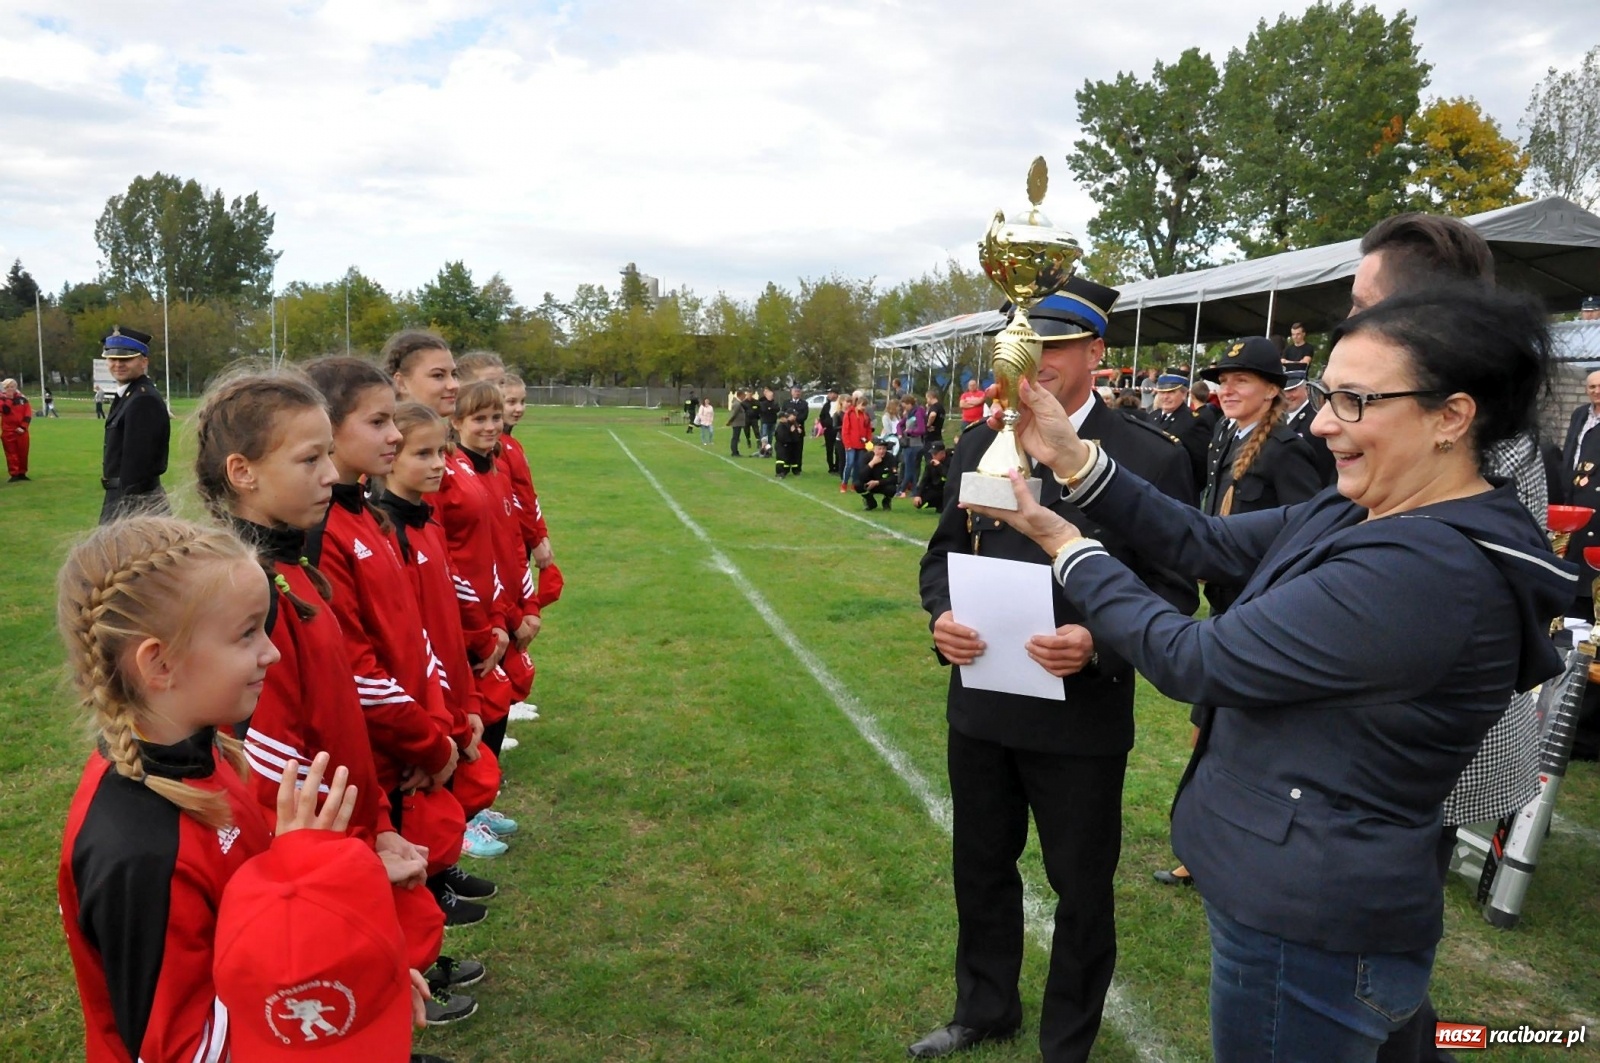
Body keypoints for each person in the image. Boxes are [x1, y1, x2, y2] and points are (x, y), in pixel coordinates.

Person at [961, 282, 1574, 1063]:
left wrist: (1065, 543)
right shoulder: (1370, 507)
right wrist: (1076, 458)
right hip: (1308, 901)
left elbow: (1196, 657)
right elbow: (1204, 543)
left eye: (1355, 401)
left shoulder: (1425, 567)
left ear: (1452, 416)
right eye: (1326, 395)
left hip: (1312, 922)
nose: (1321, 422)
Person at [912, 276, 1198, 1063]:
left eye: (1056, 347)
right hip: (981, 702)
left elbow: (1174, 587)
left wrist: (1098, 644)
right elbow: (943, 552)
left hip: (1079, 714)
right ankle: (985, 1006)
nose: (1034, 362)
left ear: (1096, 353)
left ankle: (1066, 1040)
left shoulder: (1145, 453)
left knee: (1080, 885)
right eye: (1024, 346)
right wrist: (941, 619)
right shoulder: (980, 439)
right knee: (980, 862)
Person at [53, 516, 435, 1062]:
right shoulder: (139, 852)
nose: (272, 653)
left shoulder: (203, 751)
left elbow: (242, 921)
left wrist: (354, 968)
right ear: (159, 663)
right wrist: (336, 999)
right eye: (247, 633)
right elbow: (187, 1049)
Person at [192, 368, 479, 1025]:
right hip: (314, 852)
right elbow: (269, 764)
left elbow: (339, 714)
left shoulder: (300, 573)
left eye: (329, 454)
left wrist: (377, 822)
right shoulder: (251, 595)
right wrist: (351, 845)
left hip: (351, 832)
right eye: (310, 458)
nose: (330, 473)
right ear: (243, 471)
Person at [1350, 211, 1554, 1063]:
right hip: (1407, 738)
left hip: (1431, 748)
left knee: (1376, 972)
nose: (1350, 317)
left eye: (1365, 300)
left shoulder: (1482, 436)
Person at [1195, 337, 1323, 616]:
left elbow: (1307, 532)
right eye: (1223, 380)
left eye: (1241, 380)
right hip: (1224, 589)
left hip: (1260, 599)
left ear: (1271, 390)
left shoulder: (1285, 449)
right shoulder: (1227, 436)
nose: (1226, 390)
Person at [99, 326, 170, 523]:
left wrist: (127, 512)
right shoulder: (129, 395)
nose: (117, 364)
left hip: (135, 502)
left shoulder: (142, 399)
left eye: (126, 359)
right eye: (112, 359)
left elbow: (140, 465)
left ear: (143, 361)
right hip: (122, 496)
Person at [1149, 371, 1209, 491]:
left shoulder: (1193, 422)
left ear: (1184, 394)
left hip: (1176, 491)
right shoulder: (1152, 416)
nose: (1165, 397)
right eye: (1162, 392)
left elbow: (1201, 465)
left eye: (1171, 392)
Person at [1282, 371, 1337, 485]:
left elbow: (1325, 463)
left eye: (1293, 390)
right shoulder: (1278, 417)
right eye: (1283, 391)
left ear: (1306, 389)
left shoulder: (1316, 417)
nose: (1287, 396)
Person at [854, 437, 898, 510]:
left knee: (892, 488)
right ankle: (870, 501)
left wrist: (878, 482)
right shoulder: (866, 457)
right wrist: (872, 463)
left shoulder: (890, 458)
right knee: (858, 485)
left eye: (884, 448)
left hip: (882, 484)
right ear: (874, 449)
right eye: (879, 449)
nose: (882, 451)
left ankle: (886, 501)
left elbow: (894, 478)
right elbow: (861, 476)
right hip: (869, 484)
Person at [839, 392, 872, 491]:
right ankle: (844, 483)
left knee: (858, 465)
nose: (864, 408)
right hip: (851, 444)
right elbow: (845, 430)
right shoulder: (849, 414)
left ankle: (854, 483)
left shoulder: (866, 416)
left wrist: (868, 442)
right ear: (857, 404)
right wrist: (847, 444)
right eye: (863, 405)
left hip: (861, 445)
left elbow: (868, 430)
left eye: (865, 406)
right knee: (849, 464)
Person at [1, 377, 31, 481]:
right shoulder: (2, 400)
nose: (11, 389)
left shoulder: (22, 399)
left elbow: (28, 414)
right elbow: (5, 411)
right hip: (8, 431)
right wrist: (9, 399)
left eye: (13, 386)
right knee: (11, 454)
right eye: (8, 387)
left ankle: (22, 473)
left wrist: (23, 426)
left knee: (23, 453)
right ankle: (14, 474)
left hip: (22, 431)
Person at [898, 393, 928, 496]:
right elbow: (899, 424)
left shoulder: (917, 413)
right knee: (913, 468)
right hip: (911, 444)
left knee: (910, 468)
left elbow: (921, 429)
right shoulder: (910, 413)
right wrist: (900, 435)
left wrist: (909, 432)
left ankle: (902, 490)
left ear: (909, 404)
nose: (904, 408)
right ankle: (914, 491)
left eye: (905, 406)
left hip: (915, 444)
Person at [914, 441, 949, 511]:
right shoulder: (931, 464)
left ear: (942, 453)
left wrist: (939, 466)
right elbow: (924, 480)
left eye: (935, 454)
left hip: (947, 490)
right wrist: (918, 495)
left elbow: (949, 475)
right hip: (935, 490)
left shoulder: (950, 461)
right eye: (932, 453)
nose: (933, 456)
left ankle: (942, 505)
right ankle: (937, 504)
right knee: (919, 504)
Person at [782, 385, 809, 473]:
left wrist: (794, 420)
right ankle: (785, 469)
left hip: (799, 430)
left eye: (798, 391)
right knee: (787, 450)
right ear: (791, 392)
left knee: (798, 450)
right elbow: (783, 415)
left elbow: (803, 416)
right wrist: (789, 421)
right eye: (795, 391)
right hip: (787, 430)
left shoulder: (804, 404)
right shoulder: (786, 403)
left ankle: (797, 469)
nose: (797, 393)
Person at [774, 410, 805, 478]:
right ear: (781, 418)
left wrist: (796, 431)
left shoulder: (789, 424)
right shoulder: (781, 426)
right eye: (785, 417)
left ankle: (786, 471)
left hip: (787, 445)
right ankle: (779, 472)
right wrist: (791, 432)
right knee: (780, 460)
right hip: (781, 445)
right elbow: (781, 437)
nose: (786, 418)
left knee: (787, 459)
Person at [726, 390, 749, 457]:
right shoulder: (737, 404)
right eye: (744, 395)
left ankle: (736, 451)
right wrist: (729, 421)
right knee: (735, 438)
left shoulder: (739, 403)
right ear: (740, 395)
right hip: (737, 423)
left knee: (737, 438)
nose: (744, 397)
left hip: (739, 423)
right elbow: (734, 414)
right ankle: (734, 452)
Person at [757, 387, 779, 455]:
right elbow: (764, 410)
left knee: (770, 437)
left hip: (773, 422)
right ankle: (763, 451)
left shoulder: (775, 403)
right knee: (764, 437)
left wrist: (770, 408)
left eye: (772, 396)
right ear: (766, 396)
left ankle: (768, 451)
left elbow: (777, 409)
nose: (771, 397)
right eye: (769, 396)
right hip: (765, 422)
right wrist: (771, 409)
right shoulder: (763, 403)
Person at [924, 387, 946, 452]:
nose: (927, 400)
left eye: (927, 398)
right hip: (938, 434)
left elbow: (932, 415)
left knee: (929, 455)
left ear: (930, 397)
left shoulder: (934, 407)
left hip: (931, 436)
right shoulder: (941, 407)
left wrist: (928, 424)